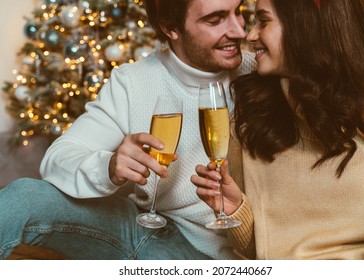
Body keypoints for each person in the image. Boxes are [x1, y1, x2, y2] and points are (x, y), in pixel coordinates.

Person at [0, 0, 256, 260]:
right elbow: (58, 159)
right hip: (144, 229)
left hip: (211, 255)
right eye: (215, 19)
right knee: (23, 197)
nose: (240, 31)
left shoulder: (259, 73)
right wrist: (109, 166)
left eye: (240, 12)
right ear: (170, 27)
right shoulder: (133, 81)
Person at [191, 0, 364, 259]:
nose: (249, 35)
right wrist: (235, 209)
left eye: (263, 21)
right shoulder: (251, 115)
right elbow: (262, 252)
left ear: (305, 26)